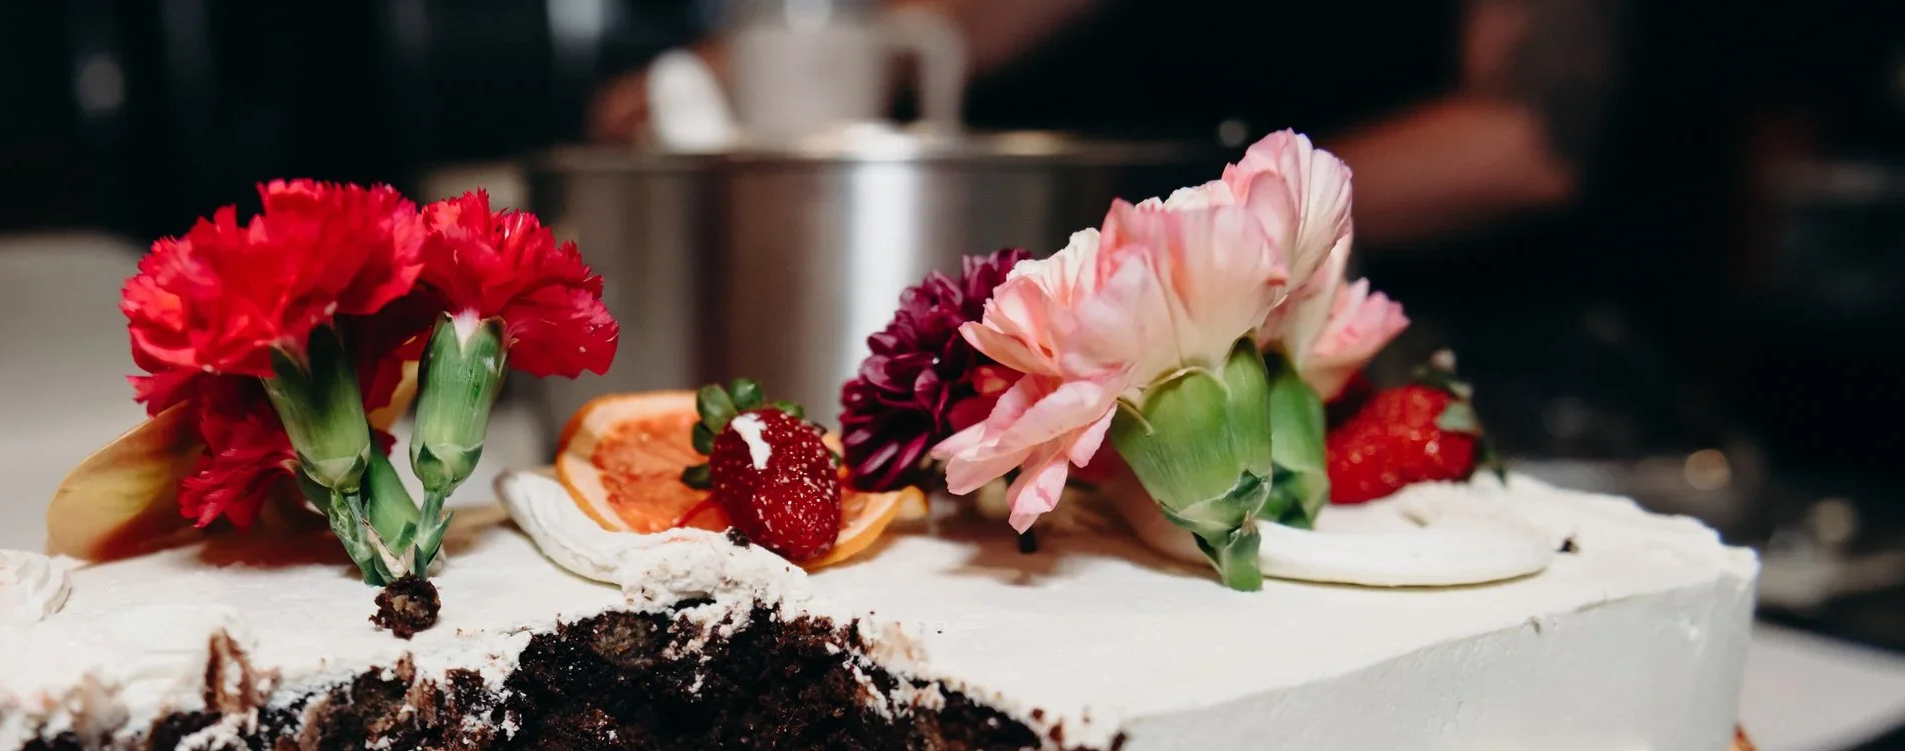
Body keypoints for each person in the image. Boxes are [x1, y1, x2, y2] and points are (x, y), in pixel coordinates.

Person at [589, 0, 1619, 255]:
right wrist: (783, 57)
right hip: (1124, 340)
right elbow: (976, 20)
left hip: (1456, 357)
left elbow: (1529, 144)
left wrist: (1174, 245)